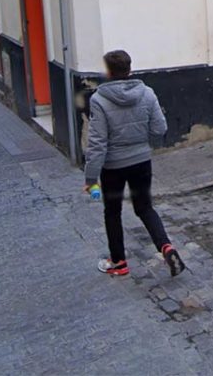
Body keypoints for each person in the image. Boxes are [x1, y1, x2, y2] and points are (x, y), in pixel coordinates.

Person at [84, 50, 185, 277]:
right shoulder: (147, 93)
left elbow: (97, 142)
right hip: (141, 161)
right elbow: (160, 129)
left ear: (108, 72)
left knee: (112, 212)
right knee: (145, 208)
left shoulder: (99, 100)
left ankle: (119, 263)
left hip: (112, 167)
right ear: (129, 69)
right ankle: (166, 246)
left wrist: (90, 178)